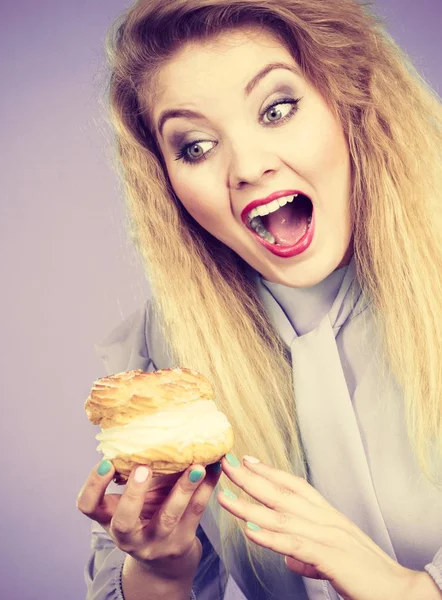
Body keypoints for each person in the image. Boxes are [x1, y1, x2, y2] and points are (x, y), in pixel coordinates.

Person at [76, 0, 442, 598]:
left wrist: (404, 588)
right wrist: (161, 571)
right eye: (195, 146)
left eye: (277, 108)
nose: (246, 167)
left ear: (349, 100)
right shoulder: (163, 360)